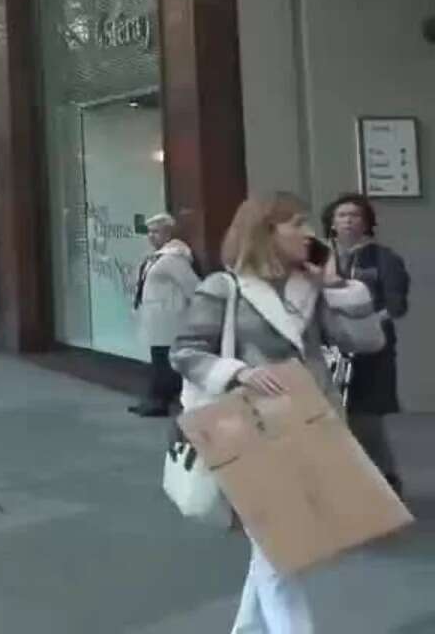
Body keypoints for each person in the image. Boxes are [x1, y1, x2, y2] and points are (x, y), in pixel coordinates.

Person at [172, 193, 386, 634]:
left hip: (309, 427)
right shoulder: (223, 287)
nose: (309, 233)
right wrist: (238, 373)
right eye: (297, 223)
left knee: (273, 549)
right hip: (249, 431)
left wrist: (338, 287)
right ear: (267, 232)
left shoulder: (309, 289)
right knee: (279, 550)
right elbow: (185, 352)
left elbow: (365, 342)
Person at [324, 192, 410, 493]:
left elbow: (396, 305)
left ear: (367, 223)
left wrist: (364, 324)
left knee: (365, 418)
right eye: (341, 215)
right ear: (332, 223)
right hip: (327, 350)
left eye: (355, 215)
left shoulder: (384, 259)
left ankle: (386, 478)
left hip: (372, 349)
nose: (348, 221)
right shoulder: (320, 259)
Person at [129, 213, 200, 417]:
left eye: (156, 231)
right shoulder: (157, 257)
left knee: (164, 362)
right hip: (157, 318)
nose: (151, 236)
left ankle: (160, 401)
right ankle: (155, 399)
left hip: (169, 318)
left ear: (168, 233)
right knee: (159, 360)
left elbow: (193, 287)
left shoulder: (174, 258)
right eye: (149, 232)